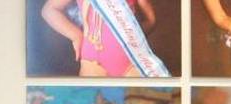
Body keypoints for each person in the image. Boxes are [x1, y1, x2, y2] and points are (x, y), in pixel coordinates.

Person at [41, 0, 169, 77]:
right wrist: (76, 36)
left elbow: (151, 20)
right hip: (93, 63)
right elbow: (49, 10)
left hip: (131, 64)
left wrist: (135, 39)